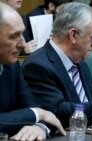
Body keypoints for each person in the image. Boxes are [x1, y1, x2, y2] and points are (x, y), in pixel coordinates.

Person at [22, 2, 92, 128]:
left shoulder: (80, 62)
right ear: (73, 35)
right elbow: (56, 112)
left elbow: (91, 107)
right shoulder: (37, 66)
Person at [0, 2, 66, 140]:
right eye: (14, 36)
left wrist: (40, 127)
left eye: (22, 34)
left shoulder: (11, 66)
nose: (23, 43)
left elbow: (40, 110)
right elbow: (38, 112)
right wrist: (37, 114)